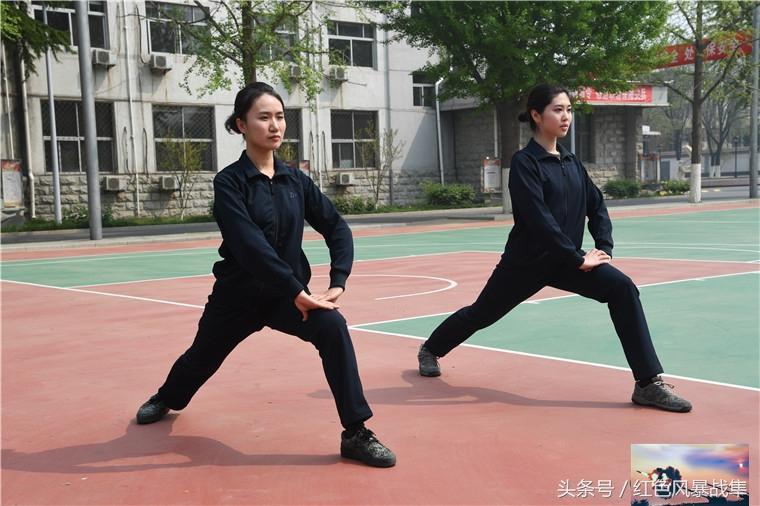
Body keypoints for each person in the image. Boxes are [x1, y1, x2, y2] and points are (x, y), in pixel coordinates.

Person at [135, 82, 396, 467]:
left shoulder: (296, 180)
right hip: (237, 298)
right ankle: (167, 397)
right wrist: (296, 289)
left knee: (333, 329)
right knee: (200, 358)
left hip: (287, 299)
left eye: (280, 117)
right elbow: (249, 246)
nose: (275, 126)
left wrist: (338, 281)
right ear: (241, 125)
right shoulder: (229, 183)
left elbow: (336, 227)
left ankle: (356, 432)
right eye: (263, 117)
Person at [417, 83, 692, 413]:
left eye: (569, 110)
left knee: (622, 288)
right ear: (536, 115)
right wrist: (577, 257)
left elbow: (597, 205)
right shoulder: (525, 163)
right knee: (482, 314)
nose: (566, 117)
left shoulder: (572, 163)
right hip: (526, 263)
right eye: (558, 110)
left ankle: (647, 383)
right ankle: (431, 349)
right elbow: (540, 221)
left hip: (568, 263)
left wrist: (603, 248)